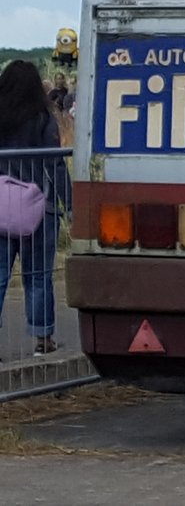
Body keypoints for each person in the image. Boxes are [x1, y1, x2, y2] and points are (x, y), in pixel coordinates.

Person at [0, 60, 64, 355]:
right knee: (37, 274)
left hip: (1, 207)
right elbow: (56, 164)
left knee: (0, 275)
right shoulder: (42, 120)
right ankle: (42, 340)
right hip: (38, 207)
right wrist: (71, 203)